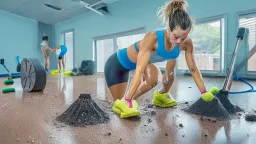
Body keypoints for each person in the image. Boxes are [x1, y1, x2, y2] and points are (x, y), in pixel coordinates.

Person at [104, 0, 215, 118]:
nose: (179, 42)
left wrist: (204, 92)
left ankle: (160, 96)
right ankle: (126, 100)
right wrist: (127, 98)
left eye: (183, 38)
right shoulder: (153, 37)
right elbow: (139, 71)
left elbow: (193, 69)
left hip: (145, 63)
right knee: (117, 103)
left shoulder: (186, 43)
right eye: (176, 37)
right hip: (117, 64)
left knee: (153, 80)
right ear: (169, 28)